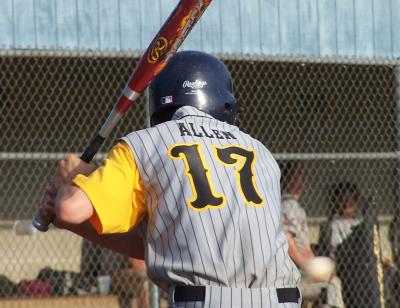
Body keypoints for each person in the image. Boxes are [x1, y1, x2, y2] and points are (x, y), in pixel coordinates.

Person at [37, 50, 301, 307]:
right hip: (282, 299)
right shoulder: (260, 151)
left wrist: (71, 182)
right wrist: (71, 219)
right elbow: (155, 245)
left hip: (204, 301)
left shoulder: (143, 144)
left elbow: (70, 208)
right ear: (224, 101)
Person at [281, 161, 344, 307]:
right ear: (288, 178)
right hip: (290, 276)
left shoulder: (296, 207)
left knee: (331, 279)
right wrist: (305, 264)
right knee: (333, 285)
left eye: (304, 174)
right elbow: (285, 236)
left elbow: (306, 248)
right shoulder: (287, 205)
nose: (304, 177)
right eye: (298, 174)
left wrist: (314, 267)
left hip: (301, 273)